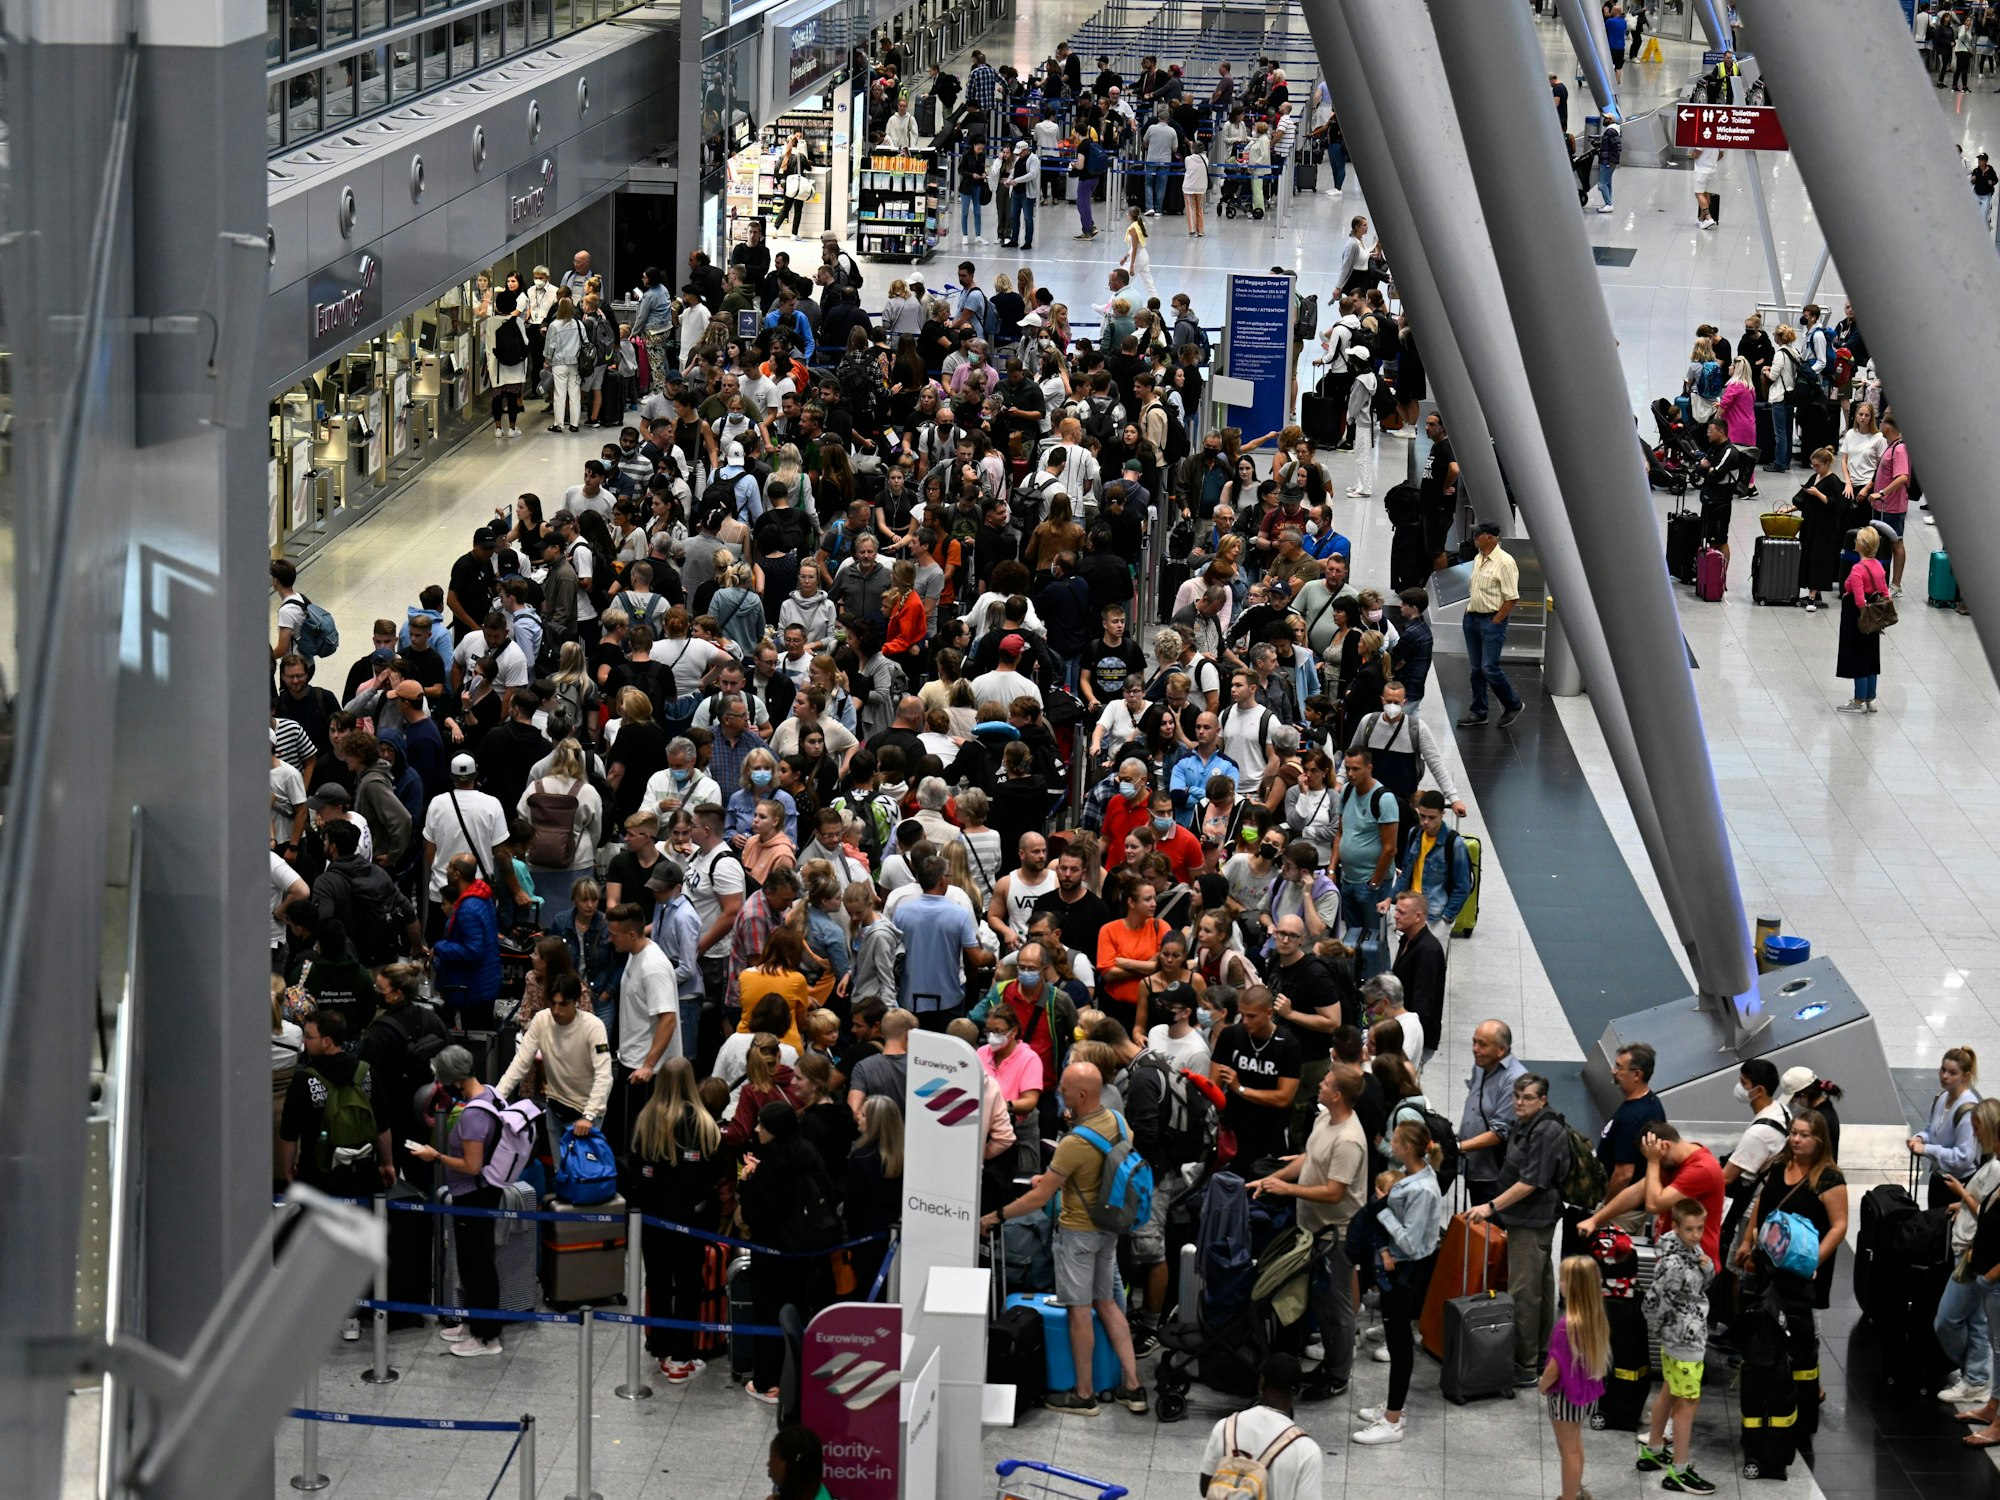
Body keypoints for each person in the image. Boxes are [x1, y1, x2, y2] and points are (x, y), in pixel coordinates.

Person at [979, 1062, 1148, 1417]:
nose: (1060, 1095)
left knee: (1078, 1310)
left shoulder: (1073, 1142)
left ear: (1082, 1095)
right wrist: (1059, 1176)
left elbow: (1038, 1200)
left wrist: (996, 1216)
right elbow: (1100, 1170)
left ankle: (1083, 1394)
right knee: (1107, 1302)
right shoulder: (1119, 1122)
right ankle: (1133, 1386)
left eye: (1065, 1090)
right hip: (1109, 1228)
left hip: (1078, 1234)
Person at [1249, 1063, 1369, 1401]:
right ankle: (1329, 1365)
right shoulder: (1324, 1120)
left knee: (1337, 1309)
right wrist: (1276, 1178)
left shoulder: (1349, 1140)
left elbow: (1334, 1192)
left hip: (1337, 1235)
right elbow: (1308, 1159)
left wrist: (1288, 1191)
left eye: (1326, 1082)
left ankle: (1337, 1374)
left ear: (1338, 1095)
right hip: (1314, 1228)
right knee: (1322, 1302)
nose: (1319, 1084)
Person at [1732, 1109, 1848, 1451]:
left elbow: (1839, 1225)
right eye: (1793, 1133)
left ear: (1819, 1140)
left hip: (1802, 1274)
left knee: (1801, 1343)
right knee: (1766, 1332)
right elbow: (1763, 1205)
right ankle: (1770, 1400)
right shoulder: (1780, 1165)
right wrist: (1747, 1240)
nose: (1795, 1139)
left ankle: (1804, 1412)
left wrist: (1815, 1260)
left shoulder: (1828, 1178)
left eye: (1803, 1135)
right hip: (1768, 1268)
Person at [1467, 1072, 1571, 1386]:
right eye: (1516, 1096)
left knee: (1524, 1295)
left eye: (1527, 1098)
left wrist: (1492, 1206)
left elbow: (1530, 1182)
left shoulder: (1547, 1131)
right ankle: (1539, 1355)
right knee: (1537, 1289)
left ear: (1543, 1100)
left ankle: (1525, 1367)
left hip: (1532, 1221)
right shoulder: (1527, 1123)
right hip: (1525, 1219)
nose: (1519, 1102)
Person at [1348, 1118, 1447, 1445]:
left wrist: (1381, 1208)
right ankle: (1393, 1406)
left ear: (1406, 1147)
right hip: (1401, 1271)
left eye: (1396, 1140)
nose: (1392, 1143)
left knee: (1400, 1345)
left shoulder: (1420, 1189)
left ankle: (1393, 1419)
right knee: (1397, 1339)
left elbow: (1410, 1243)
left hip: (1404, 1276)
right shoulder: (1417, 1177)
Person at [628, 1057, 726, 1382]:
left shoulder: (646, 1120)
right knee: (687, 1285)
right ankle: (681, 1358)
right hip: (690, 1219)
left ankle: (660, 1345)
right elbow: (716, 1171)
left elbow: (636, 1171)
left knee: (657, 1281)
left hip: (654, 1220)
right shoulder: (703, 1123)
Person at [410, 1045, 508, 1357]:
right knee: (470, 1260)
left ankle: (487, 1337)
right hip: (480, 1193)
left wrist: (435, 1155)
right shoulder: (490, 1093)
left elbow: (472, 1165)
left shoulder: (473, 1116)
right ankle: (471, 1322)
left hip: (475, 1195)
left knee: (479, 1264)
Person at [737, 1101, 835, 1404]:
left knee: (768, 1313)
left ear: (774, 1130)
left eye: (762, 1126)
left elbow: (757, 1215)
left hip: (772, 1253)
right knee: (798, 1310)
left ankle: (769, 1381)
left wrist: (746, 1181)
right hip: (806, 1251)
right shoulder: (807, 1151)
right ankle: (797, 1375)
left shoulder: (772, 1166)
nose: (756, 1130)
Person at [1636, 1199, 1720, 1495]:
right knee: (1688, 1402)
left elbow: (1697, 1287)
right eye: (1690, 1229)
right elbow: (1656, 1301)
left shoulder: (1686, 1248)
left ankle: (1655, 1448)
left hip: (1681, 1336)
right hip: (1684, 1340)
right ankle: (1680, 1470)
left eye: (1700, 1228)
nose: (1697, 1235)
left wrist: (1707, 1269)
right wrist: (1667, 1328)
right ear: (1675, 1226)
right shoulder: (1673, 1263)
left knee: (1670, 1389)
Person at [1936, 1099, 2000, 1410]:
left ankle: (1976, 1375)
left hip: (1976, 1255)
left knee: (1947, 1320)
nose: (1972, 1132)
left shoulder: (1996, 1167)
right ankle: (1975, 1378)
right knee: (1974, 1321)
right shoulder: (1990, 1162)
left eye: (1977, 1127)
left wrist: (1963, 1196)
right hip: (1972, 1251)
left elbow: (1988, 1214)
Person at [493, 973, 611, 1137]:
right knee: (557, 1164)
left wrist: (589, 1115)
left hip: (586, 1111)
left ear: (576, 1001)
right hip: (555, 1107)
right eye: (553, 1003)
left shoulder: (594, 1027)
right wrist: (496, 1098)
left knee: (581, 1164)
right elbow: (520, 1063)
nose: (556, 1010)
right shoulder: (541, 1020)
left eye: (563, 1004)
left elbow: (604, 1075)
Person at [1198, 1352, 1322, 1500]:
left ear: (1261, 1383)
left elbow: (1206, 1487)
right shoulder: (1306, 1450)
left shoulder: (1225, 1427)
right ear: (1296, 1391)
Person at [1210, 987, 1301, 1172]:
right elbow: (1214, 1086)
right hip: (1234, 1131)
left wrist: (1240, 1088)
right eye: (1242, 1014)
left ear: (1269, 1013)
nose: (1245, 1021)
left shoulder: (1288, 1045)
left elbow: (1284, 1098)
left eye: (1251, 1016)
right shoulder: (1230, 1036)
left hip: (1270, 1133)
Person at [1541, 1257, 1611, 1500]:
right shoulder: (1595, 1318)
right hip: (1586, 1392)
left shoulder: (1565, 1326)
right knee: (1575, 1443)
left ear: (1570, 1286)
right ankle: (1578, 1489)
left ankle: (1569, 1496)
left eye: (1562, 1279)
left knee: (1567, 1449)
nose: (1559, 1282)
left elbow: (1554, 1368)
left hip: (1565, 1396)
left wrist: (1542, 1386)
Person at [1456, 524, 1523, 729]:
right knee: (1476, 668)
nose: (1474, 537)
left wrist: (1496, 620)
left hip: (1491, 621)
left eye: (1478, 534)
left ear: (1490, 537)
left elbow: (1511, 598)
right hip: (1472, 619)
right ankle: (1479, 712)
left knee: (1489, 667)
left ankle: (1513, 704)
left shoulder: (1505, 563)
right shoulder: (1478, 558)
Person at [1458, 1019, 1528, 1206]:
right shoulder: (1480, 1065)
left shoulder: (1515, 1079)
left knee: (1489, 1230)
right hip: (1474, 1164)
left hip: (1493, 1174)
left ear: (1501, 1050)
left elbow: (1499, 1132)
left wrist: (1458, 1147)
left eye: (1482, 1044)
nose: (1475, 1049)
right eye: (1474, 1042)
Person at [1596, 1042, 1666, 1217]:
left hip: (1622, 1210)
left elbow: (1624, 1174)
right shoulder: (1651, 1102)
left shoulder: (1631, 1118)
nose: (1614, 1071)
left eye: (1619, 1068)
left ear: (1636, 1075)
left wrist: (1606, 1208)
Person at [1911, 1045, 1983, 1210]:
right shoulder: (1942, 1097)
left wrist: (1926, 1149)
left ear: (1965, 1076)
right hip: (1938, 1178)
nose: (1944, 1076)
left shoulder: (1967, 1111)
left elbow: (1963, 1157)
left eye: (1952, 1073)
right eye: (1943, 1069)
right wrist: (1920, 1138)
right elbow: (1931, 1130)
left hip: (1958, 1185)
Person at [1836, 524, 1889, 715]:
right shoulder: (1879, 567)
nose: (1854, 541)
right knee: (1871, 658)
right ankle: (1870, 699)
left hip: (1858, 618)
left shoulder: (1857, 569)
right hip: (1875, 618)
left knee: (1858, 657)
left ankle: (1858, 700)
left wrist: (1862, 613)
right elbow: (1885, 593)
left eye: (1857, 539)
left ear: (1862, 545)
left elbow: (1858, 599)